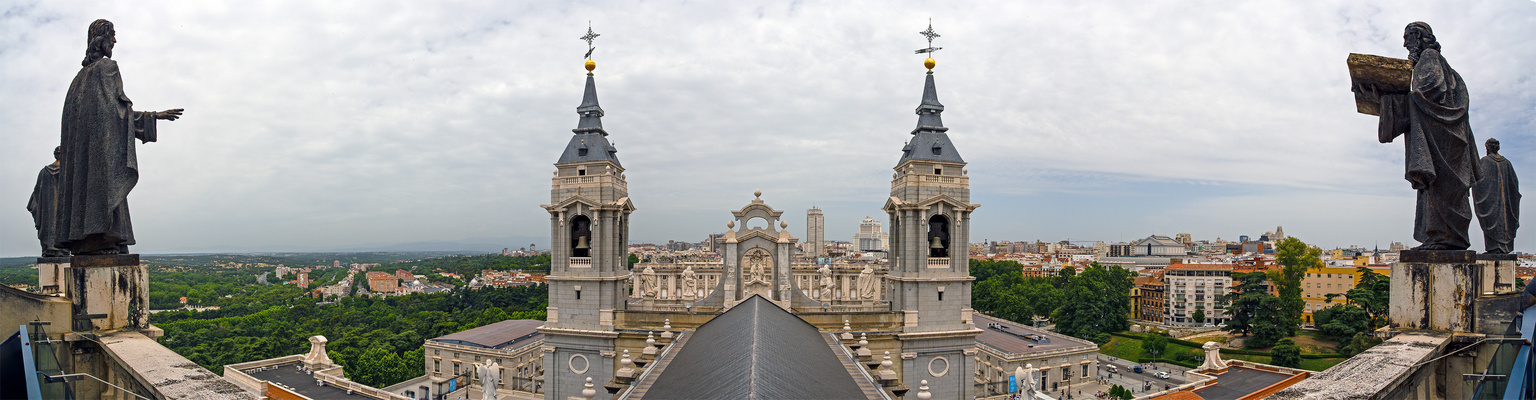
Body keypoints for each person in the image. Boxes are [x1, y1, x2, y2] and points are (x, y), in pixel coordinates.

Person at [57, 19, 184, 255]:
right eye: (112, 35)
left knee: (94, 191)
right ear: (101, 39)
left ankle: (88, 240)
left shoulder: (77, 81)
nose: (115, 40)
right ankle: (103, 238)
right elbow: (116, 113)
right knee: (108, 190)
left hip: (85, 160)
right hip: (101, 156)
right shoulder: (107, 68)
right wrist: (153, 117)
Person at [1358, 21, 1479, 251]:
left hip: (1441, 140)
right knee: (1432, 190)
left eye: (1408, 37)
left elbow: (1429, 93)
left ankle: (1446, 239)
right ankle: (1438, 237)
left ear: (1419, 37)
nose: (1405, 43)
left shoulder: (1429, 58)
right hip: (1439, 136)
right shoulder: (1432, 63)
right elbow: (1422, 98)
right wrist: (1381, 100)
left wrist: (1385, 98)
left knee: (1439, 188)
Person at [1473, 138, 1520, 254]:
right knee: (1502, 220)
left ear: (1487, 147)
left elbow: (1478, 181)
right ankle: (1505, 247)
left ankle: (1494, 248)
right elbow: (1514, 184)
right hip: (1504, 203)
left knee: (1492, 221)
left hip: (1492, 202)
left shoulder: (1485, 161)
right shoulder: (1507, 163)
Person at [28, 147, 69, 257]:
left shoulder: (44, 172)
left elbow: (35, 196)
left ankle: (49, 249)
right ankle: (60, 249)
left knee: (49, 224)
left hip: (47, 213)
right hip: (63, 210)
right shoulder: (67, 171)